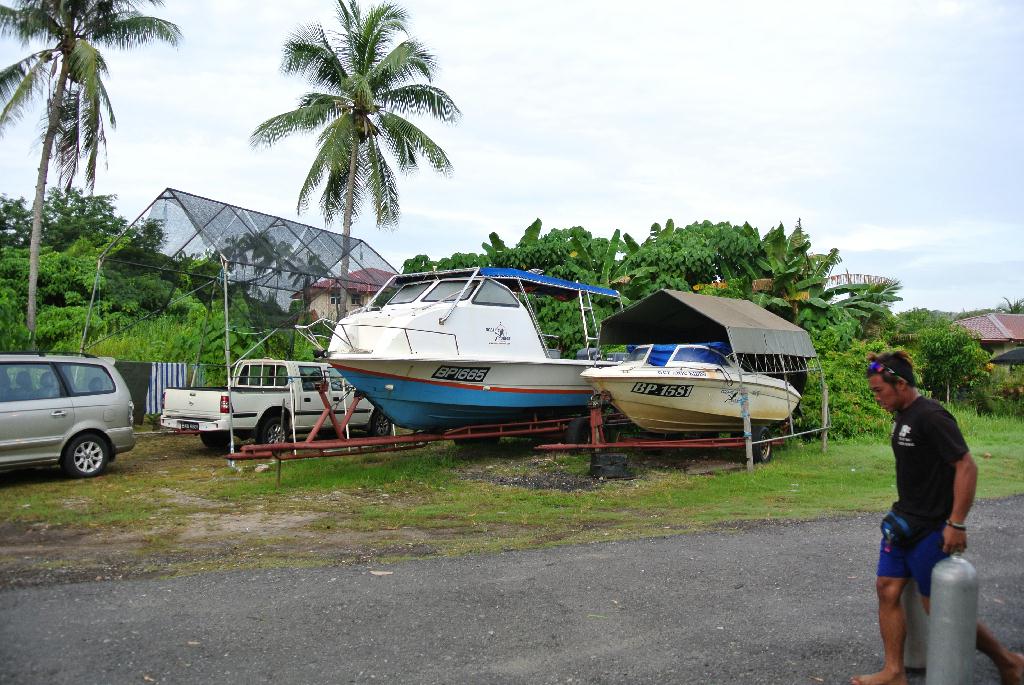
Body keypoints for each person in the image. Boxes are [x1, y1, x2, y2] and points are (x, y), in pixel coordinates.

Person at [852, 351, 1024, 685]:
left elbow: (966, 466)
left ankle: (1008, 661)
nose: (876, 398)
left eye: (879, 391)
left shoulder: (932, 416)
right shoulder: (902, 414)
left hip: (931, 528)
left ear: (901, 384)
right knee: (886, 589)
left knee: (942, 607)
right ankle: (894, 671)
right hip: (903, 522)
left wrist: (956, 522)